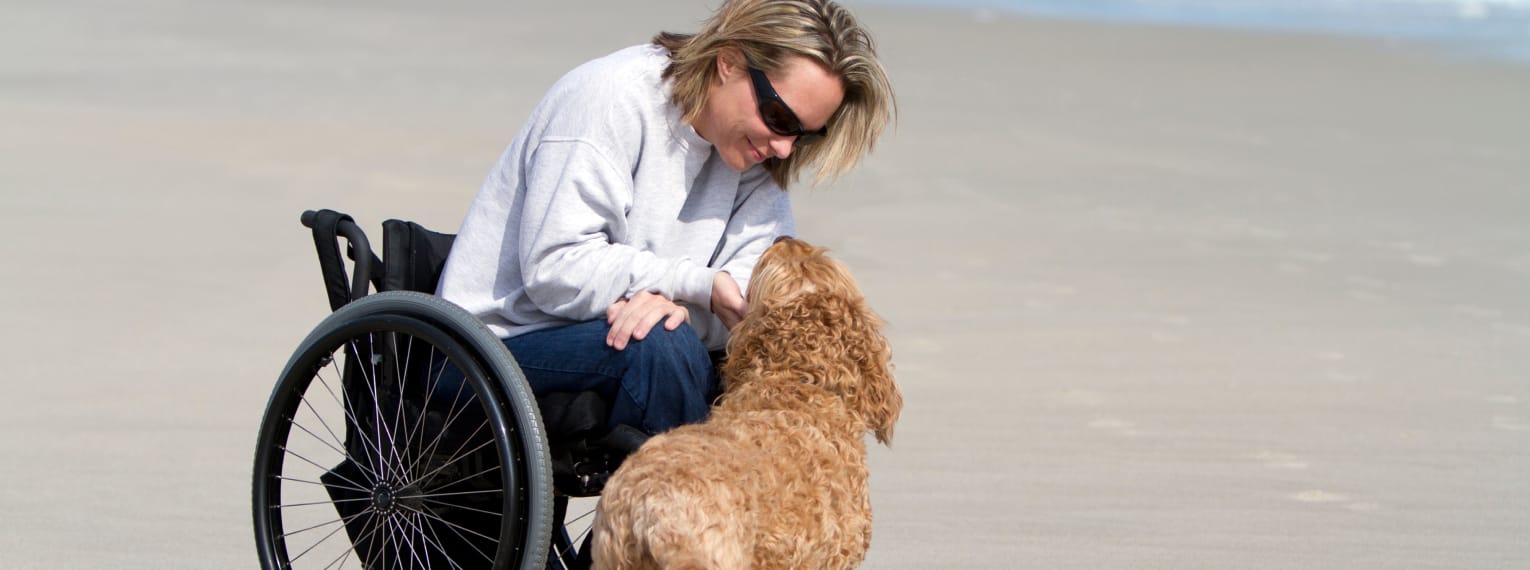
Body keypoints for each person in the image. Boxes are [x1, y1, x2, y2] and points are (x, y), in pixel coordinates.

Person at [437, 0, 895, 437]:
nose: (784, 147)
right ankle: (692, 514)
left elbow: (749, 305)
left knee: (781, 362)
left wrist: (681, 305)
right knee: (662, 347)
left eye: (805, 134)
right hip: (493, 343)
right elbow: (554, 269)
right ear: (729, 61)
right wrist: (692, 288)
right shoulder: (612, 99)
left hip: (622, 336)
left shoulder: (757, 157)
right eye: (778, 117)